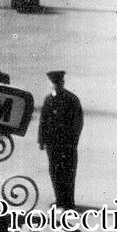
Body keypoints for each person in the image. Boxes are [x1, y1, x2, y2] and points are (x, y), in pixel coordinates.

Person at [38, 70, 83, 210]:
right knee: (55, 170)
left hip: (67, 143)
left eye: (59, 83)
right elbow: (43, 121)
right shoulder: (48, 99)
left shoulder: (72, 99)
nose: (57, 85)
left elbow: (78, 122)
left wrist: (73, 141)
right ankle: (59, 200)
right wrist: (41, 139)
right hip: (52, 143)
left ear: (63, 83)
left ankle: (68, 202)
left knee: (68, 171)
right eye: (54, 83)